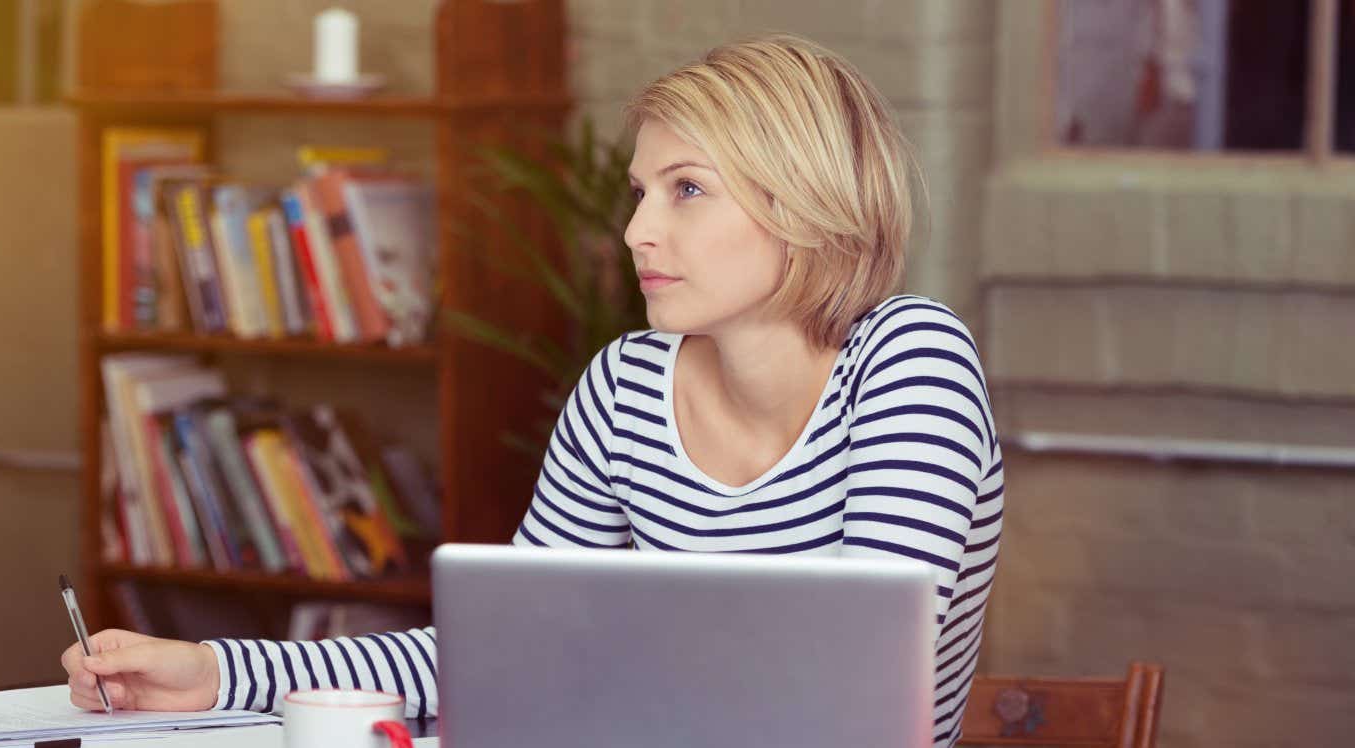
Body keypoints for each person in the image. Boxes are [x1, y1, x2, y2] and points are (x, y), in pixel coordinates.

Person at [61, 33, 1004, 748]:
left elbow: (857, 686)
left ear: (803, 204)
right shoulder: (624, 389)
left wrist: (605, 672)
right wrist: (218, 675)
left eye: (686, 190)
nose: (637, 232)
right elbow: (493, 660)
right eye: (640, 193)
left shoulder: (911, 361)